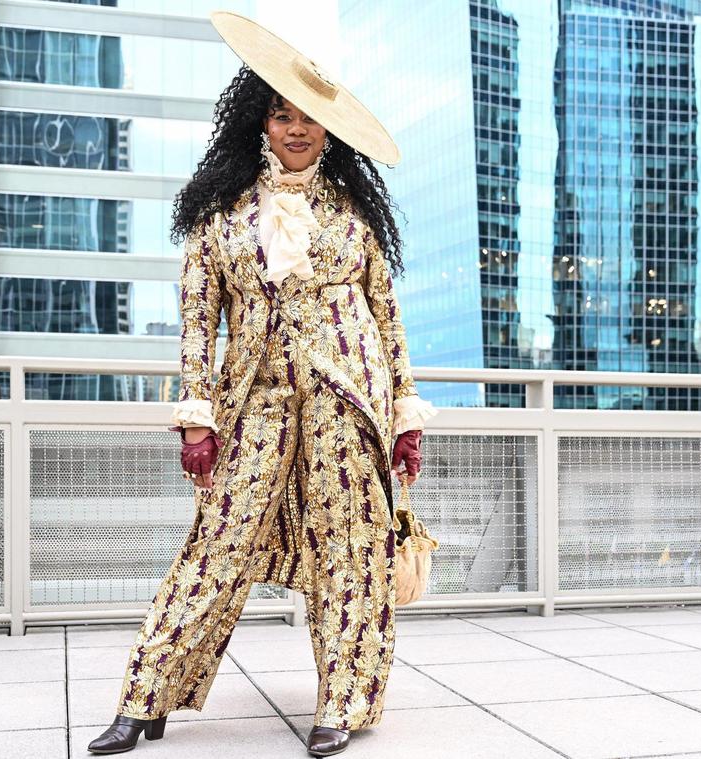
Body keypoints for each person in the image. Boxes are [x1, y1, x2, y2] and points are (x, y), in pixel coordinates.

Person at [87, 11, 436, 757]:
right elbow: (195, 324)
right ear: (260, 122)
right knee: (214, 547)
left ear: (328, 128)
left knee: (349, 552)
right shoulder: (220, 218)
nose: (298, 128)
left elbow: (388, 321)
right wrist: (197, 416)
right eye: (282, 113)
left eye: (310, 115)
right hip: (256, 407)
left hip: (349, 405)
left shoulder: (357, 220)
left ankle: (340, 703)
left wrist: (405, 415)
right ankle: (143, 697)